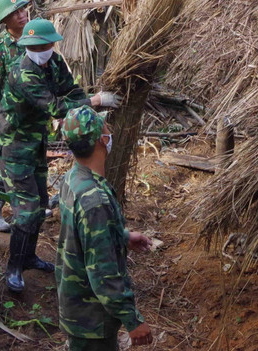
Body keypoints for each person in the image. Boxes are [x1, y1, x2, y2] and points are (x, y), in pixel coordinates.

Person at [0, 18, 120, 293]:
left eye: (47, 44)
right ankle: (13, 268)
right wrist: (95, 101)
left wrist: (86, 102)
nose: (43, 49)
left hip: (35, 142)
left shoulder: (53, 62)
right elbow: (54, 107)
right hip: (14, 146)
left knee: (39, 204)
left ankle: (28, 257)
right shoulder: (22, 72)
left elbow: (69, 91)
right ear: (28, 46)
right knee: (26, 209)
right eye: (37, 46)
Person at [57, 106, 154, 350]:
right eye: (106, 127)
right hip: (93, 321)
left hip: (77, 309)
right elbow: (102, 273)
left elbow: (82, 235)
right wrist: (132, 320)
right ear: (102, 140)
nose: (109, 130)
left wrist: (120, 236)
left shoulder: (72, 179)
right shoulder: (94, 199)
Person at [0, 0, 31, 233]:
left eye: (23, 10)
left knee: (24, 166)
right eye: (15, 13)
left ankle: (23, 206)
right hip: (6, 120)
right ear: (5, 20)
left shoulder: (34, 39)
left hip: (30, 119)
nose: (21, 15)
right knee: (8, 166)